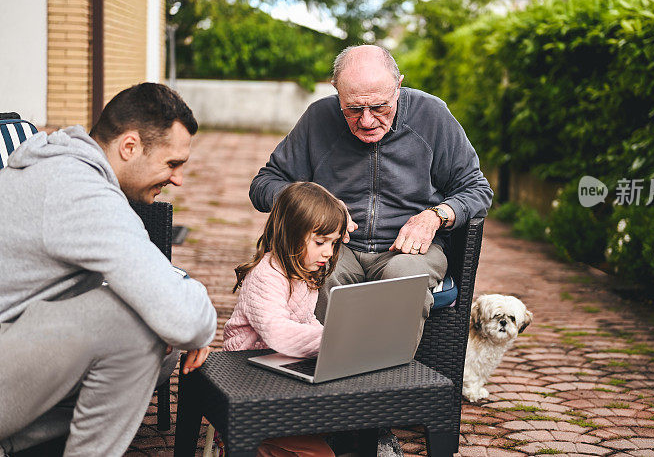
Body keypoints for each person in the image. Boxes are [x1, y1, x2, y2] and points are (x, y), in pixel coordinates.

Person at [0, 83, 217, 456]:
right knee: (135, 326)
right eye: (172, 164)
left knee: (155, 339)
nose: (178, 179)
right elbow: (182, 317)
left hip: (16, 346)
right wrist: (194, 321)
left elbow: (156, 284)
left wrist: (177, 308)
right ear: (129, 146)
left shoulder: (72, 172)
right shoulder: (78, 191)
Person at [249, 45, 493, 338]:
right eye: (353, 109)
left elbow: (477, 188)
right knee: (318, 275)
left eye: (379, 107)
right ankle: (321, 373)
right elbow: (264, 184)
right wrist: (317, 205)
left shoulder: (432, 115)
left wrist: (436, 215)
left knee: (403, 278)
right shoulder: (319, 117)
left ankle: (389, 378)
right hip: (338, 247)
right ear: (336, 90)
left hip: (410, 251)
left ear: (398, 86)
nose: (366, 121)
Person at [220, 181, 347, 457]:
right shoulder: (266, 275)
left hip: (276, 367)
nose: (328, 252)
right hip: (244, 378)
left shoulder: (305, 273)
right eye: (320, 242)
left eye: (333, 243)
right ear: (291, 234)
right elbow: (277, 331)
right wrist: (332, 340)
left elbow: (306, 319)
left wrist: (334, 335)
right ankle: (238, 441)